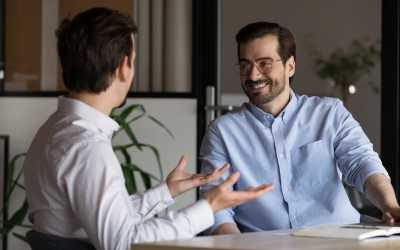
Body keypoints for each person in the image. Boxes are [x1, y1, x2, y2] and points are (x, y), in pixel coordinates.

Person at [23, 9, 275, 250]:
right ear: (124, 67)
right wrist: (207, 208)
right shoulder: (86, 147)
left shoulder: (54, 130)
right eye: (133, 61)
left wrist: (165, 192)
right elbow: (122, 243)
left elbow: (105, 220)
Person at [199, 21, 400, 235]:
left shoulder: (330, 113)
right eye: (246, 65)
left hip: (341, 240)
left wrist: (390, 205)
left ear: (290, 66)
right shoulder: (222, 132)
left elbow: (361, 163)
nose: (253, 75)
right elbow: (216, 208)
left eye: (265, 63)